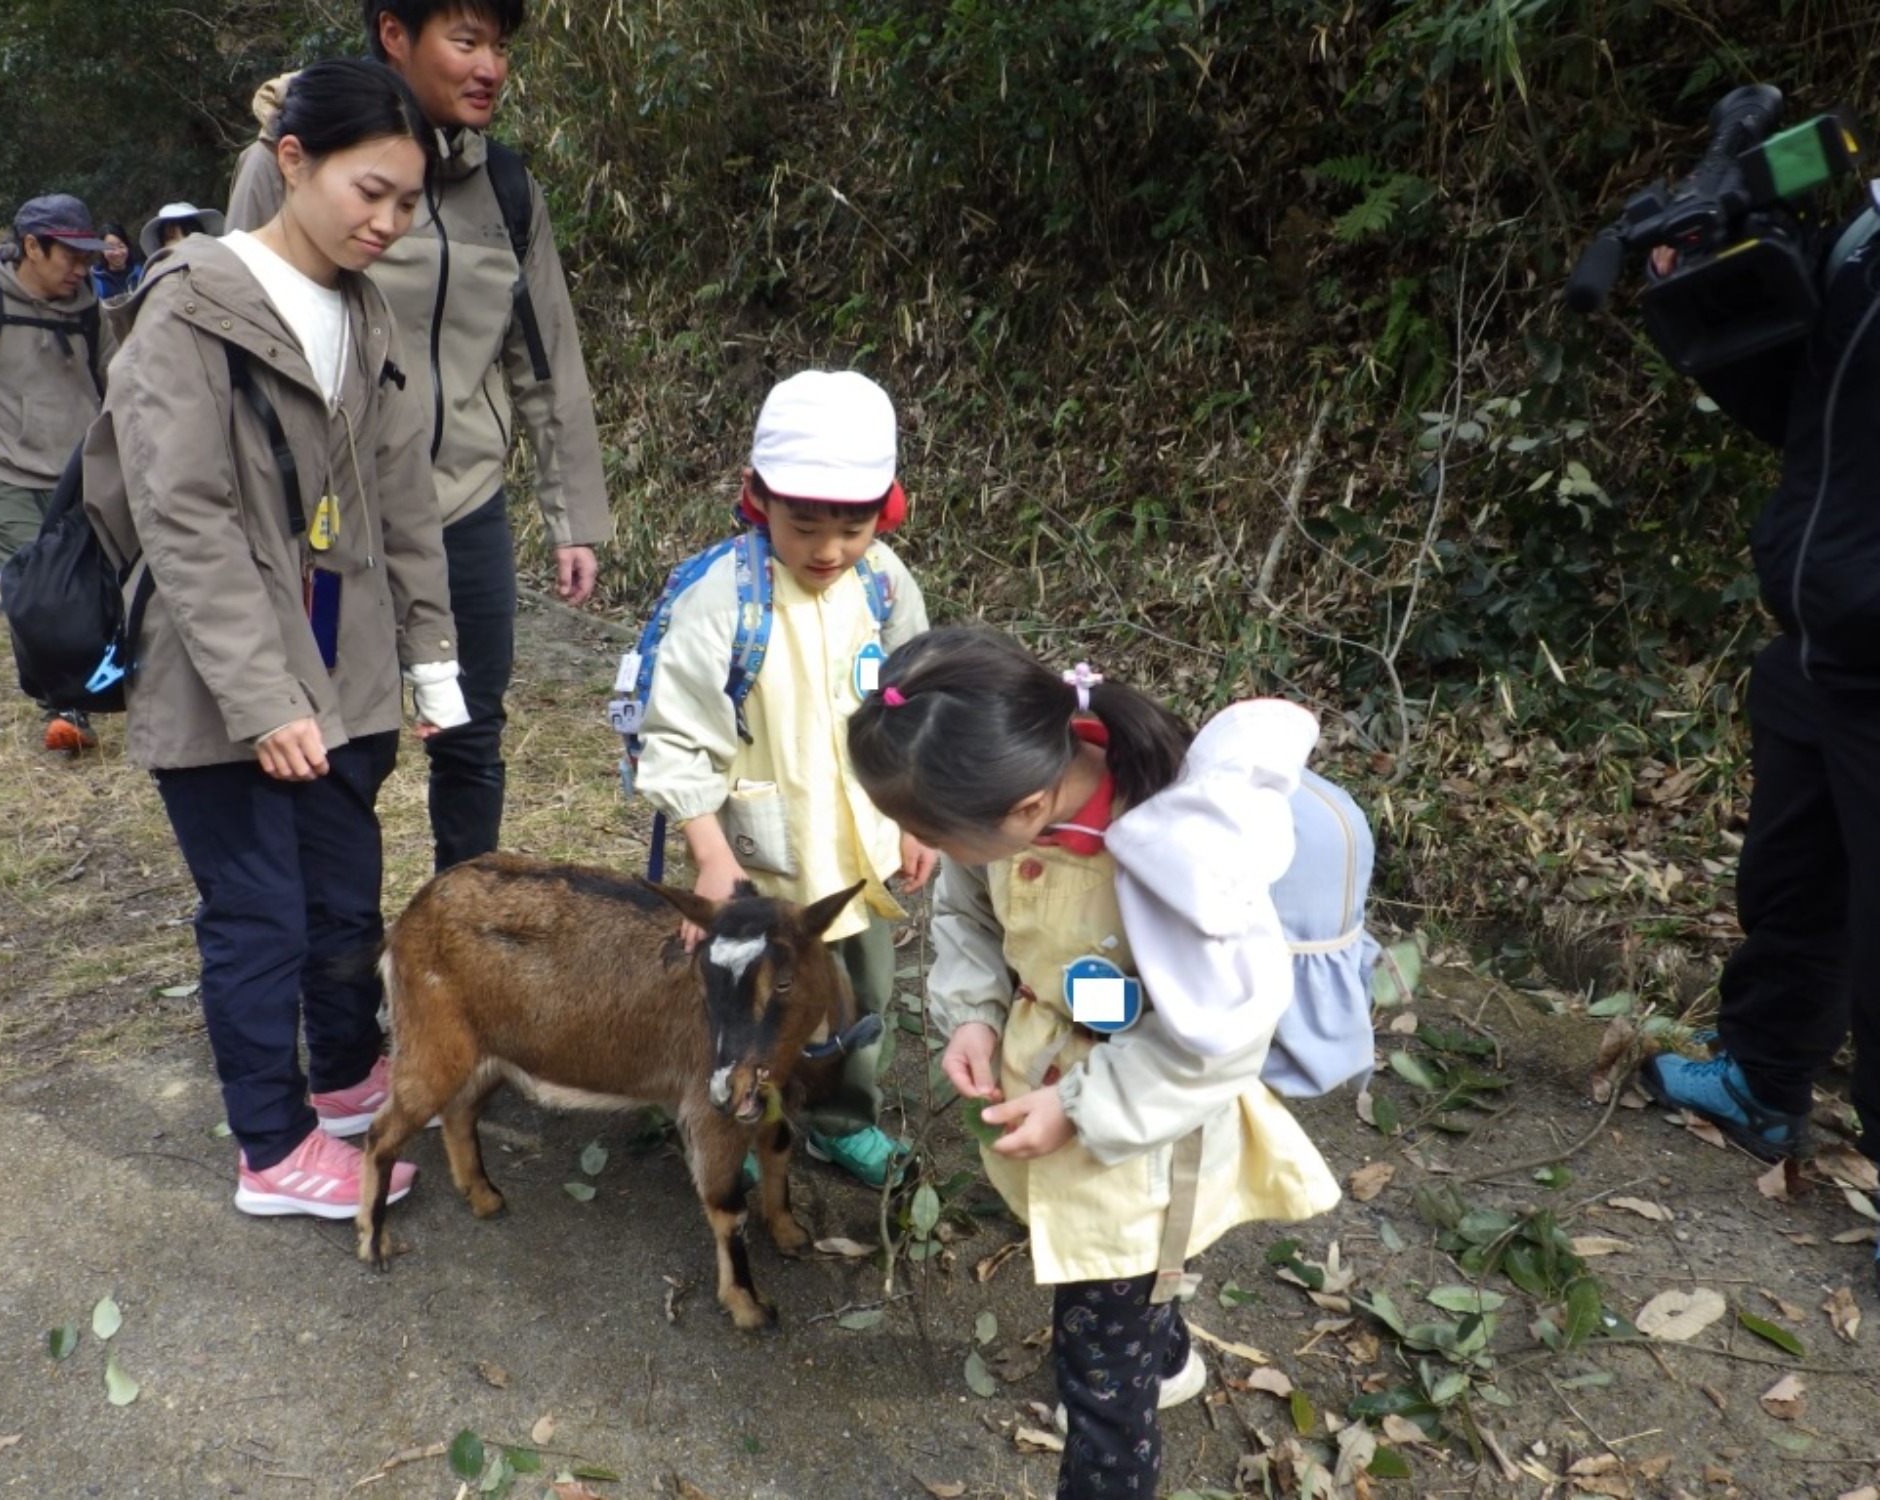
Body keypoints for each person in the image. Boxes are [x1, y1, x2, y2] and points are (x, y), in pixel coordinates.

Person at [82, 57, 466, 1221]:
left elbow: (401, 502)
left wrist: (431, 662)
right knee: (259, 916)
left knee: (345, 897)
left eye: (408, 203)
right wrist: (262, 699)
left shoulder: (365, 307)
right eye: (369, 191)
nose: (387, 223)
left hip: (343, 669)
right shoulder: (190, 305)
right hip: (222, 681)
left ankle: (345, 1077)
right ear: (291, 162)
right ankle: (270, 1144)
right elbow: (183, 516)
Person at [845, 626, 1344, 1499]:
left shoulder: (1175, 863)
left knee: (1101, 1380)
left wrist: (1082, 1107)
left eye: (927, 830)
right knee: (1127, 1296)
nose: (916, 846)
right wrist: (974, 1016)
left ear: (1028, 808)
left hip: (1142, 1138)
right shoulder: (1010, 802)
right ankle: (1169, 1355)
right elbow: (969, 910)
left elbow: (1221, 1038)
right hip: (1057, 1072)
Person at [226, 0, 611, 872]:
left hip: (466, 505)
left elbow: (545, 358)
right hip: (332, 516)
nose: (490, 68)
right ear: (395, 35)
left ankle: (465, 920)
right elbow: (241, 332)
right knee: (340, 738)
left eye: (500, 46)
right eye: (466, 41)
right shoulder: (287, 157)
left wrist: (574, 517)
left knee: (471, 733)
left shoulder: (504, 186)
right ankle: (338, 935)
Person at [1639, 220, 1880, 1288]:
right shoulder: (1863, 236)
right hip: (1821, 635)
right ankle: (1763, 1081)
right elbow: (1799, 413)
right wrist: (1705, 296)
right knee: (1790, 880)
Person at [633, 370, 933, 1187]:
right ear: (757, 498)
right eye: (804, 527)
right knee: (747, 1004)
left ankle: (841, 1118)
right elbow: (676, 737)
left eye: (854, 528)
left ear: (887, 512)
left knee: (859, 994)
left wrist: (913, 817)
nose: (828, 551)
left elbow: (913, 703)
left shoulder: (884, 585)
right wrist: (708, 855)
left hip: (856, 857)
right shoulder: (724, 599)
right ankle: (739, 1120)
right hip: (756, 862)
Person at [0, 193, 115, 752]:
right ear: (32, 246)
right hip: (7, 478)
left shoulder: (92, 312)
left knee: (85, 592)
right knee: (39, 595)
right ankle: (64, 707)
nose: (81, 268)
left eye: (87, 257)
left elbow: (117, 385)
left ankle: (93, 686)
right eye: (70, 256)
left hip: (80, 477)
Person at [138, 202, 224, 260]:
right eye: (170, 236)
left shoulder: (220, 265)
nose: (181, 241)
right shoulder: (163, 278)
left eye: (190, 232)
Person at [91, 223, 144, 299]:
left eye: (121, 246)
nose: (117, 253)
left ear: (127, 246)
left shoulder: (141, 273)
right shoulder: (95, 279)